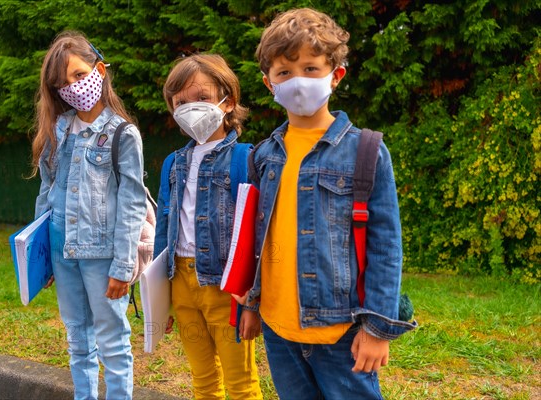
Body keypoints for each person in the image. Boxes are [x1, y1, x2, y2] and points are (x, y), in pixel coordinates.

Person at [245, 8, 417, 399]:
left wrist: (377, 330)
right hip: (278, 329)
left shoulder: (367, 151)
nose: (298, 81)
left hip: (341, 331)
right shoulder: (264, 155)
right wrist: (253, 305)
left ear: (335, 74)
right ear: (268, 81)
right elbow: (259, 237)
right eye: (284, 73)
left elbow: (386, 247)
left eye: (310, 68)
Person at [31, 31, 146, 400]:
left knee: (112, 341)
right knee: (77, 337)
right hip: (63, 254)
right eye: (63, 83)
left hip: (103, 257)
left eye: (79, 75)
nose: (73, 87)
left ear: (99, 69)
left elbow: (132, 201)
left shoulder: (122, 134)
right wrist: (40, 257)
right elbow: (47, 194)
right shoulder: (57, 131)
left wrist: (123, 265)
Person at [153, 54, 262, 400]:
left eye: (201, 98)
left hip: (226, 287)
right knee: (202, 380)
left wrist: (252, 298)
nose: (190, 108)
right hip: (181, 284)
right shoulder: (173, 162)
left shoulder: (247, 157)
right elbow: (164, 225)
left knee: (241, 383)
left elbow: (256, 231)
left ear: (227, 101)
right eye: (181, 102)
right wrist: (160, 295)